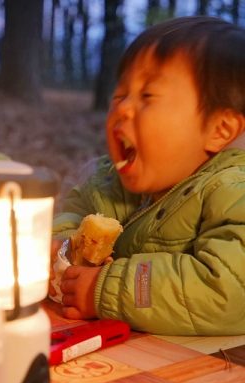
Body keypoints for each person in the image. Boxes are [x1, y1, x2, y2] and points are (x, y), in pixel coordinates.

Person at [51, 16, 245, 335]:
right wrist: (62, 245)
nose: (123, 109)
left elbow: (227, 290)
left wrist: (105, 288)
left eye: (148, 96)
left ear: (219, 130)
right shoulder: (110, 182)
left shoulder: (233, 190)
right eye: (120, 95)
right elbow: (71, 209)